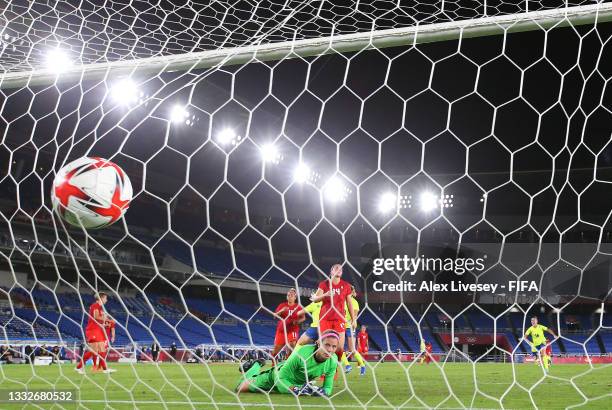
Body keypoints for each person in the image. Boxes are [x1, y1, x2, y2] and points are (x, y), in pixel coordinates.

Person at [235, 330, 340, 396]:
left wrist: (322, 392)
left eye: (334, 346)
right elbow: (280, 379)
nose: (330, 350)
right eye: (326, 345)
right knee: (240, 388)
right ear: (318, 343)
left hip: (299, 384)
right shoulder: (302, 353)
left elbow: (328, 388)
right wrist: (295, 389)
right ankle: (255, 365)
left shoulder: (333, 360)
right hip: (276, 377)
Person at [310, 264, 355, 366]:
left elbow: (349, 303)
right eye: (336, 268)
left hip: (339, 319)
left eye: (340, 269)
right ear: (331, 272)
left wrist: (354, 319)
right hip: (325, 319)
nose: (339, 270)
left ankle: (333, 369)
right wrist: (325, 295)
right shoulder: (324, 284)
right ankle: (321, 370)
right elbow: (315, 299)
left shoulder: (346, 285)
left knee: (339, 348)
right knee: (323, 347)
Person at [75, 292, 115, 374]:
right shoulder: (95, 306)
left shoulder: (99, 307)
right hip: (93, 330)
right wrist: (108, 320)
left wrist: (103, 323)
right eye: (105, 298)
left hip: (95, 330)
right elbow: (96, 317)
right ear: (101, 298)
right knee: (98, 350)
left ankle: (79, 367)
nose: (106, 300)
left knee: (97, 351)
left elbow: (96, 319)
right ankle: (104, 369)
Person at [271, 288, 304, 361]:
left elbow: (303, 318)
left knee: (292, 344)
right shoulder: (282, 305)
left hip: (292, 330)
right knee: (275, 351)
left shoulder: (298, 307)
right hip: (281, 331)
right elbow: (274, 316)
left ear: (295, 297)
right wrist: (282, 310)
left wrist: (297, 321)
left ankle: (287, 360)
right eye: (288, 295)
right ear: (287, 296)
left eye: (292, 295)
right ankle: (274, 364)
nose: (290, 296)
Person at [341, 286, 366, 375]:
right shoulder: (342, 301)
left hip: (350, 327)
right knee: (339, 348)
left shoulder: (354, 302)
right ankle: (347, 365)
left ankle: (363, 366)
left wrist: (352, 325)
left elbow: (354, 316)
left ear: (350, 292)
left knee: (352, 349)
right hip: (341, 326)